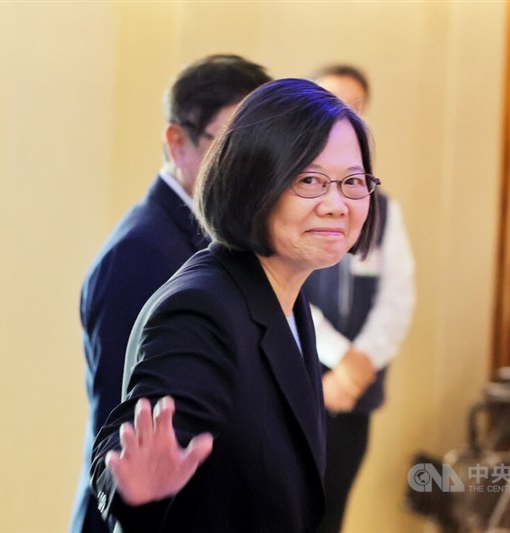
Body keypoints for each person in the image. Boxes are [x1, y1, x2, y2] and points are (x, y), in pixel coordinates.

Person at [90, 78, 381, 532]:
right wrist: (139, 492)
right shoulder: (202, 309)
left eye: (353, 182)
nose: (336, 204)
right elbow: (127, 459)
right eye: (309, 180)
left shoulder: (285, 292)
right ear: (253, 184)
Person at [71, 55, 270, 533]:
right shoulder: (140, 254)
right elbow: (122, 441)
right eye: (230, 145)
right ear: (177, 143)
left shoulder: (227, 239)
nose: (252, 168)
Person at [304, 64, 416, 533]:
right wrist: (337, 358)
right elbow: (278, 286)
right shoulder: (290, 193)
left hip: (354, 396)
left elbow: (398, 298)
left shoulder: (380, 207)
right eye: (330, 102)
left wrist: (358, 366)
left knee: (333, 514)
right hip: (304, 383)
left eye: (354, 107)